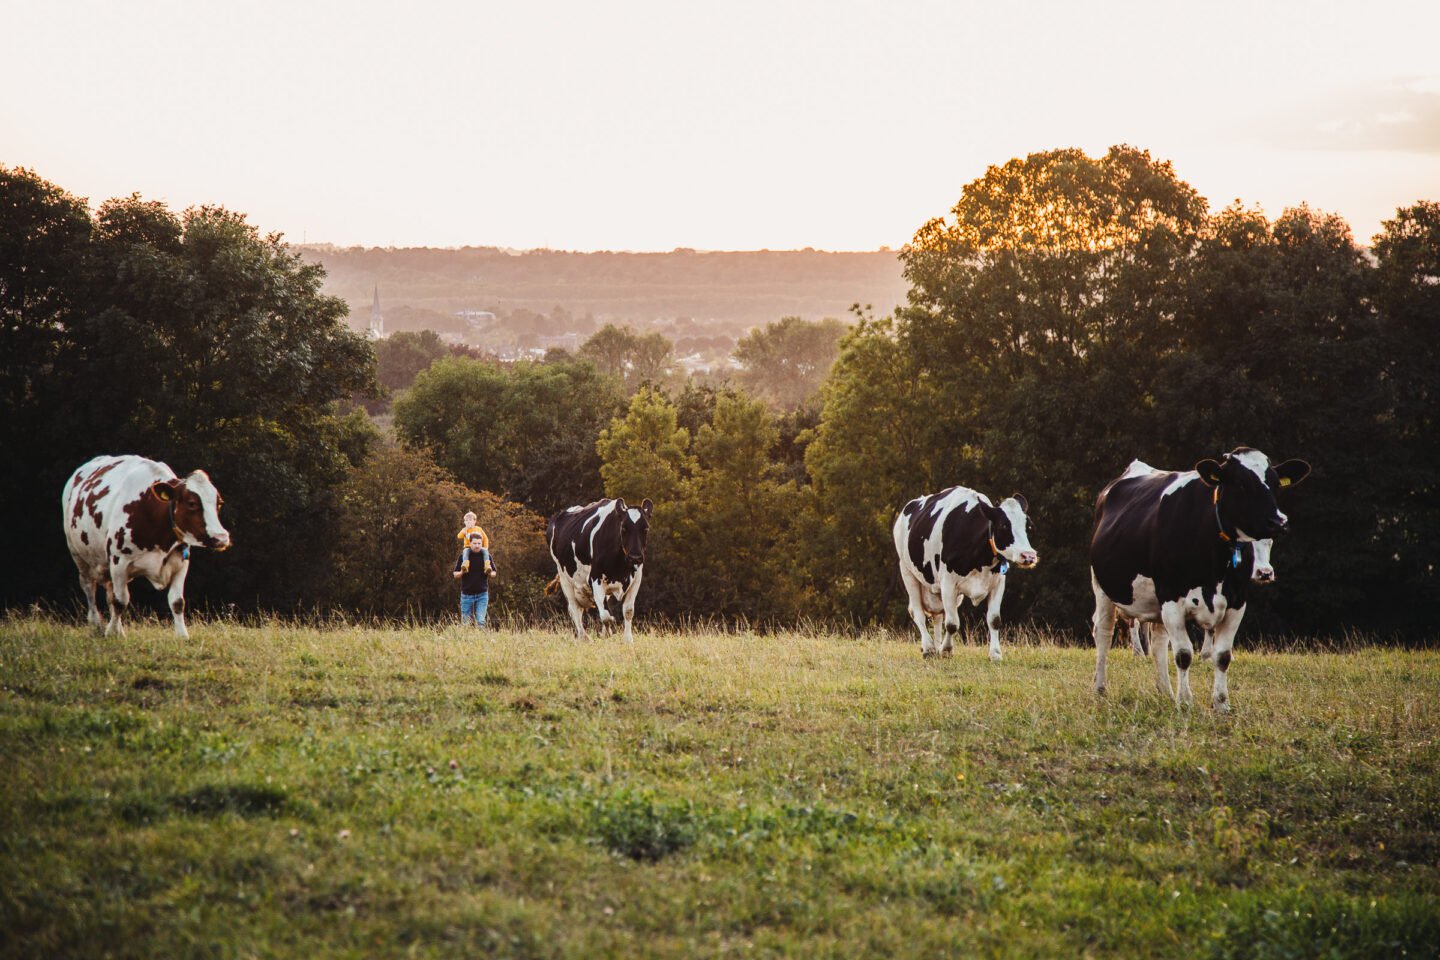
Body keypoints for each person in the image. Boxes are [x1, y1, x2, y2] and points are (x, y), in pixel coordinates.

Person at [453, 532, 496, 627]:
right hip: (466, 595)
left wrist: (489, 573)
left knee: (480, 621)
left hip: (482, 594)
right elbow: (455, 574)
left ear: (482, 543)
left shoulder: (486, 557)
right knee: (465, 623)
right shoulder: (463, 557)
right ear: (470, 543)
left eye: (479, 543)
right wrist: (461, 573)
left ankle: (481, 640)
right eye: (475, 543)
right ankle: (466, 641)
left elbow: (494, 573)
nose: (477, 546)